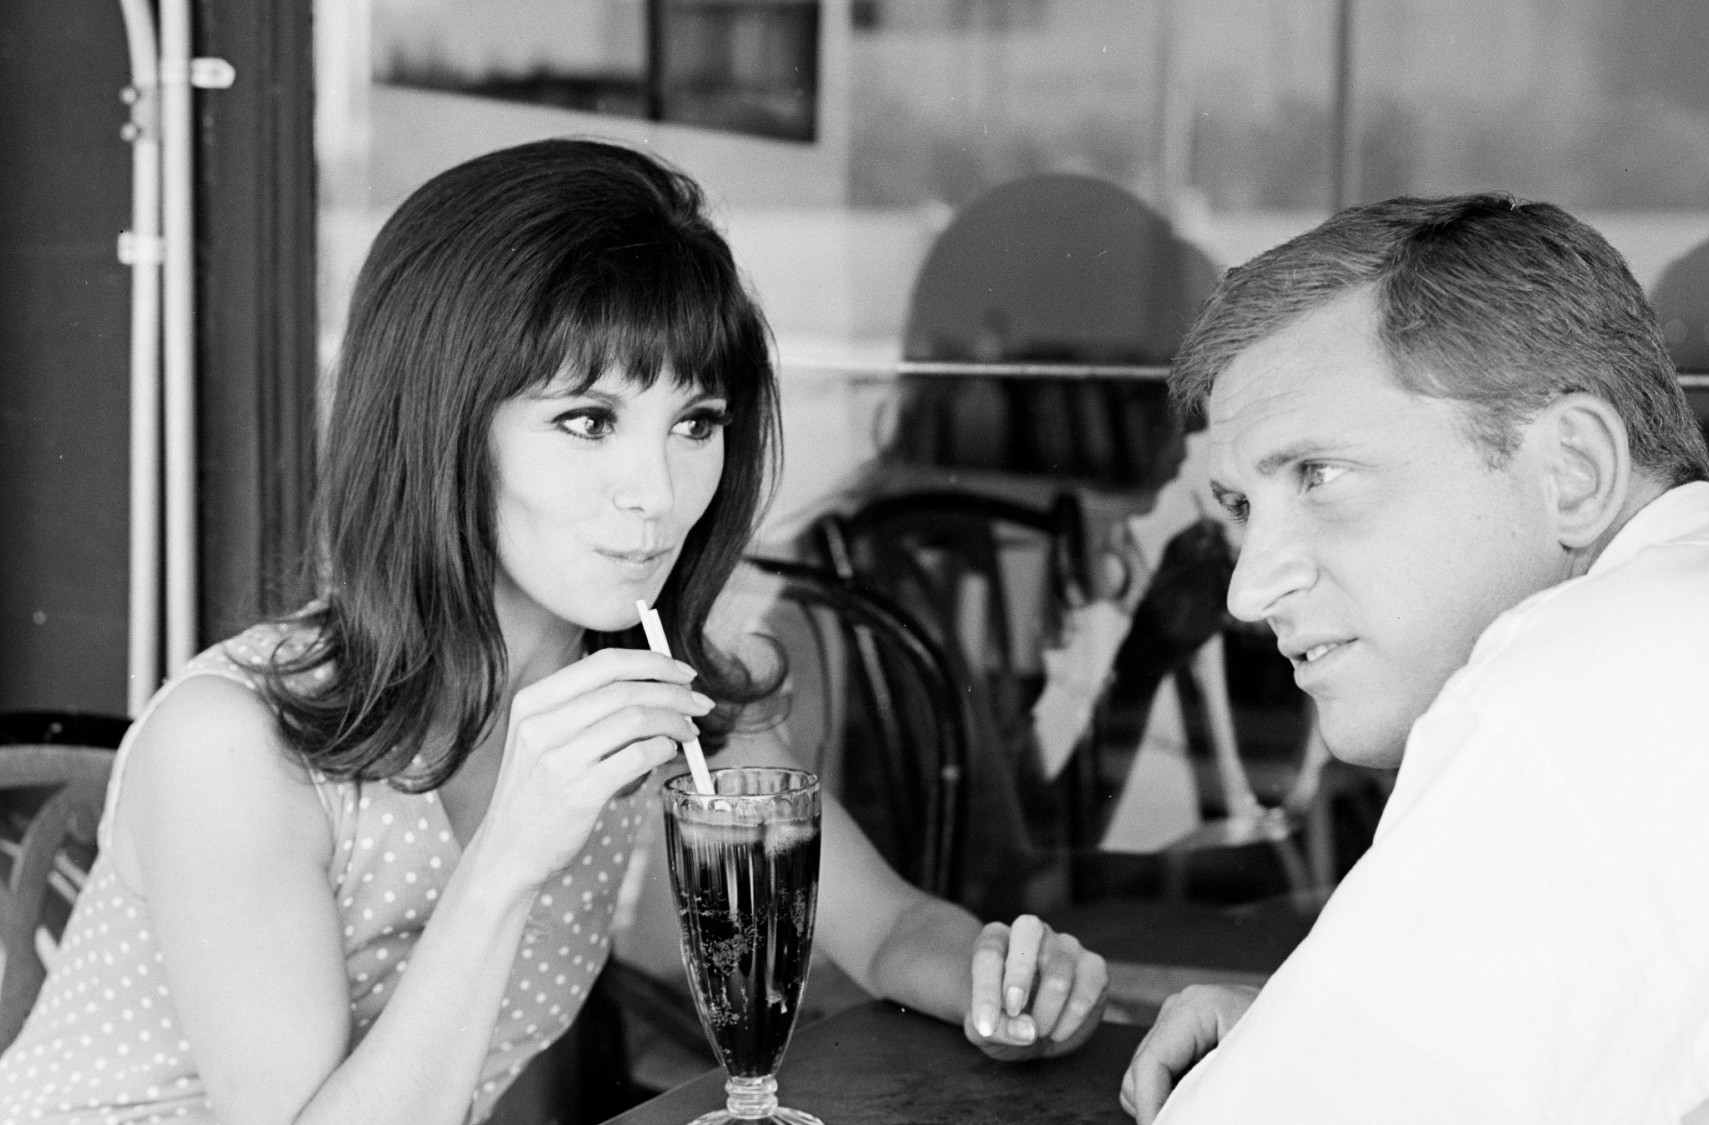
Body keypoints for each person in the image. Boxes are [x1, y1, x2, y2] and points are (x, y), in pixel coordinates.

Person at [0, 138, 1105, 1125]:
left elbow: (888, 929)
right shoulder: (235, 746)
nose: (658, 494)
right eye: (587, 420)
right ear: (442, 426)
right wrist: (507, 859)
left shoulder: (663, 701)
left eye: (696, 422)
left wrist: (1005, 982)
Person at [1119, 194, 1709, 1123]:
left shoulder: (1588, 677)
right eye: (1242, 507)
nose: (1248, 589)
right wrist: (1322, 1031)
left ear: (1573, 468)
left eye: (1321, 475)